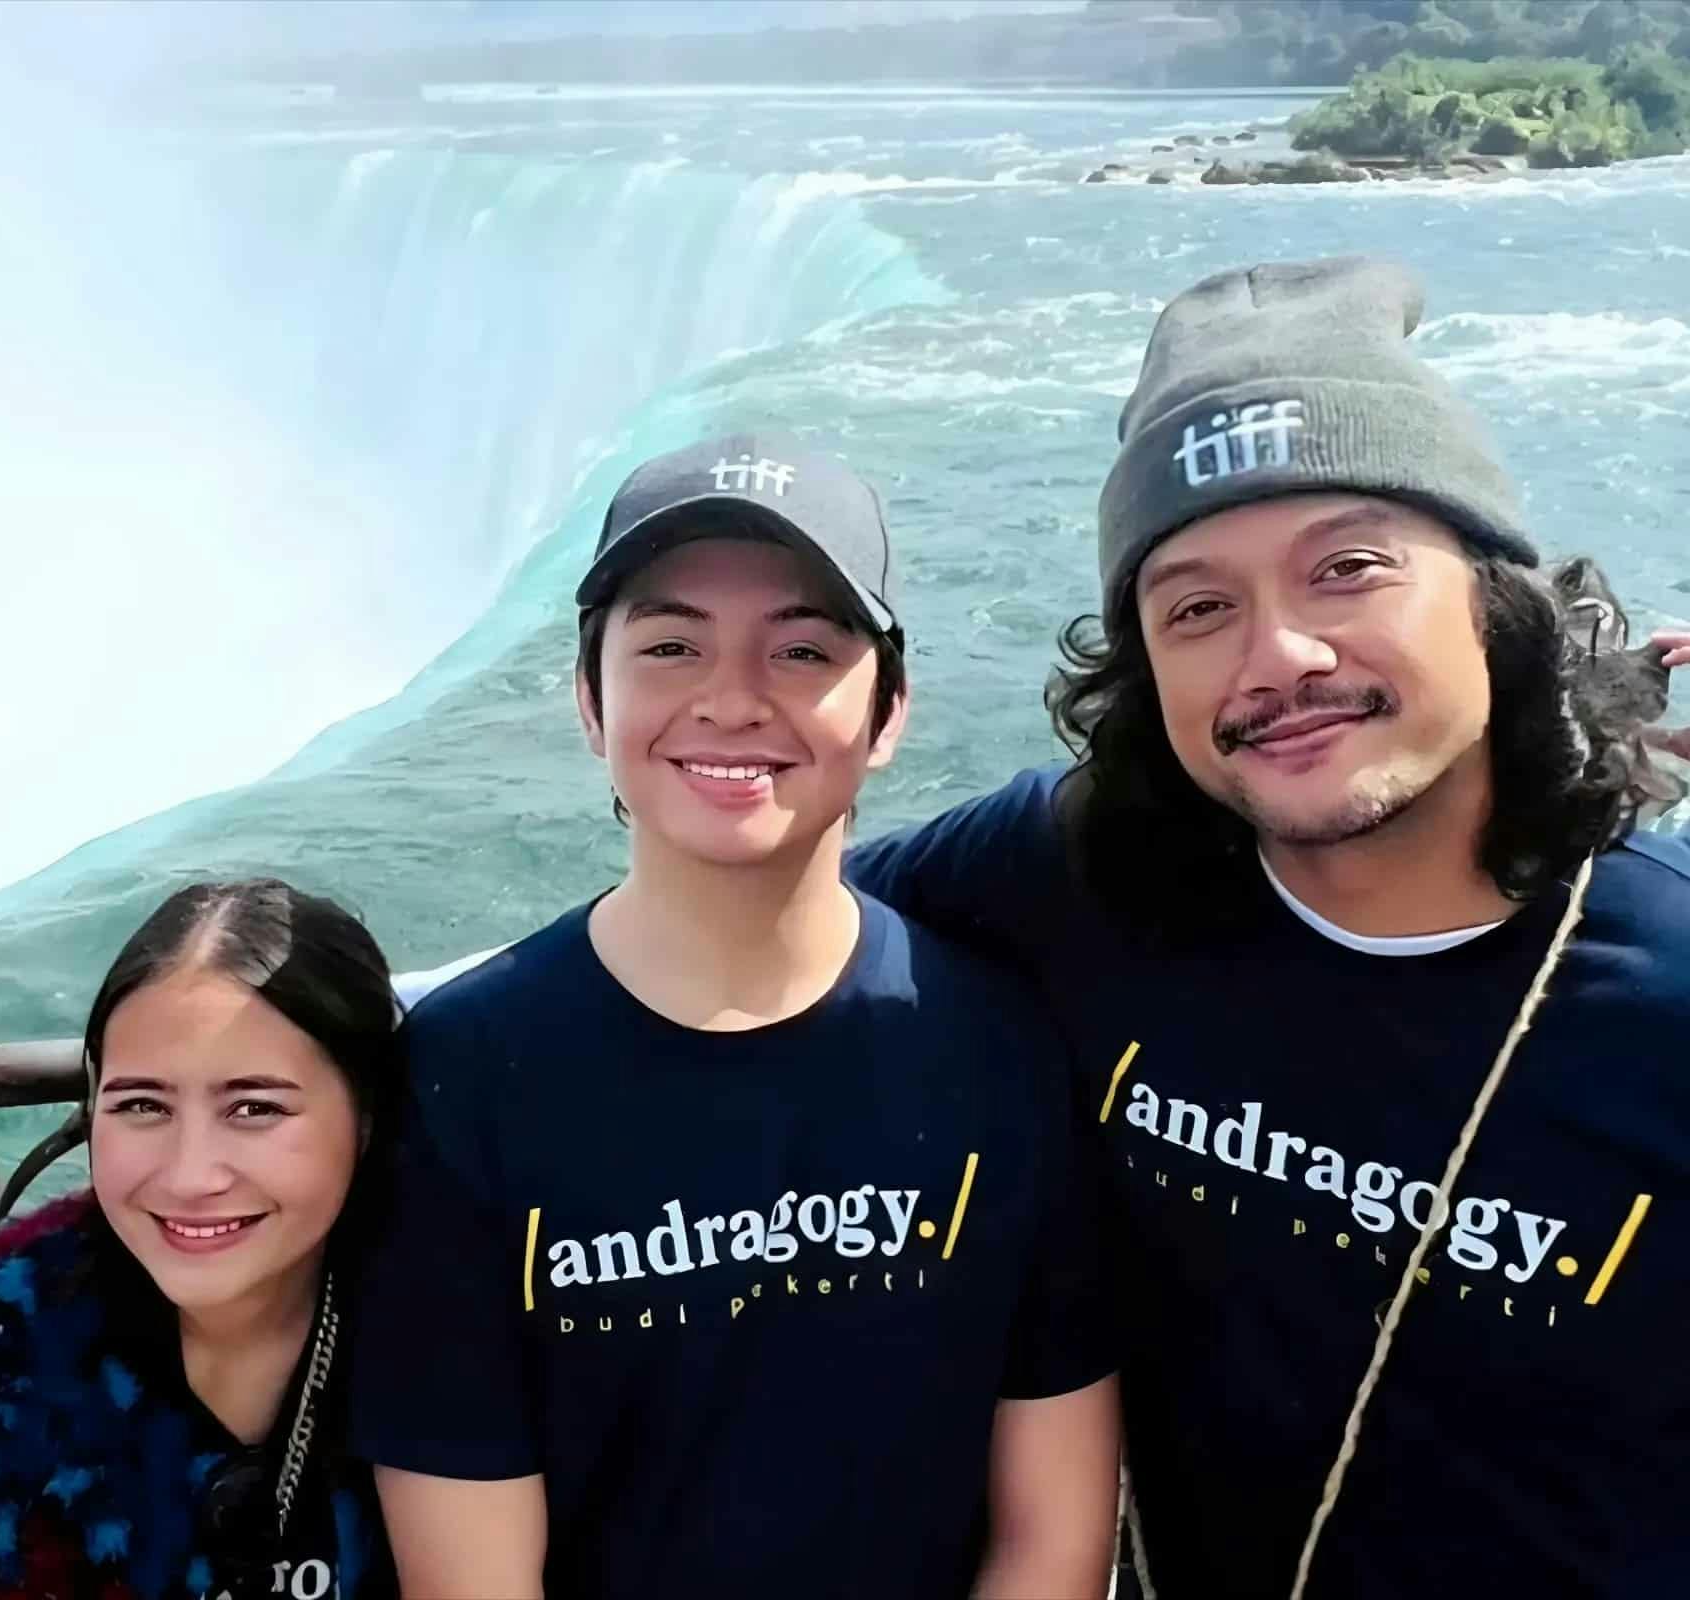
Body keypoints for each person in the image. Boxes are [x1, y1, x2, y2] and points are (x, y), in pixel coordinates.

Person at [843, 257, 1690, 1597]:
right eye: (1197, 609)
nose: (1278, 656)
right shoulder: (1080, 869)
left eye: (1348, 567)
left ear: (1495, 602)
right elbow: (763, 938)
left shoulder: (1664, 984)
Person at [350, 436, 1121, 1599]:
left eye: (803, 648)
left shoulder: (999, 1046)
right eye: (669, 645)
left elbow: (1052, 1541)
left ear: (891, 708)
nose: (729, 698)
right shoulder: (465, 1074)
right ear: (588, 699)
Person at [0, 878, 397, 1600]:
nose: (190, 1175)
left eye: (254, 1108)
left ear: (366, 1116)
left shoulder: (452, 1318)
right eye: (142, 1105)